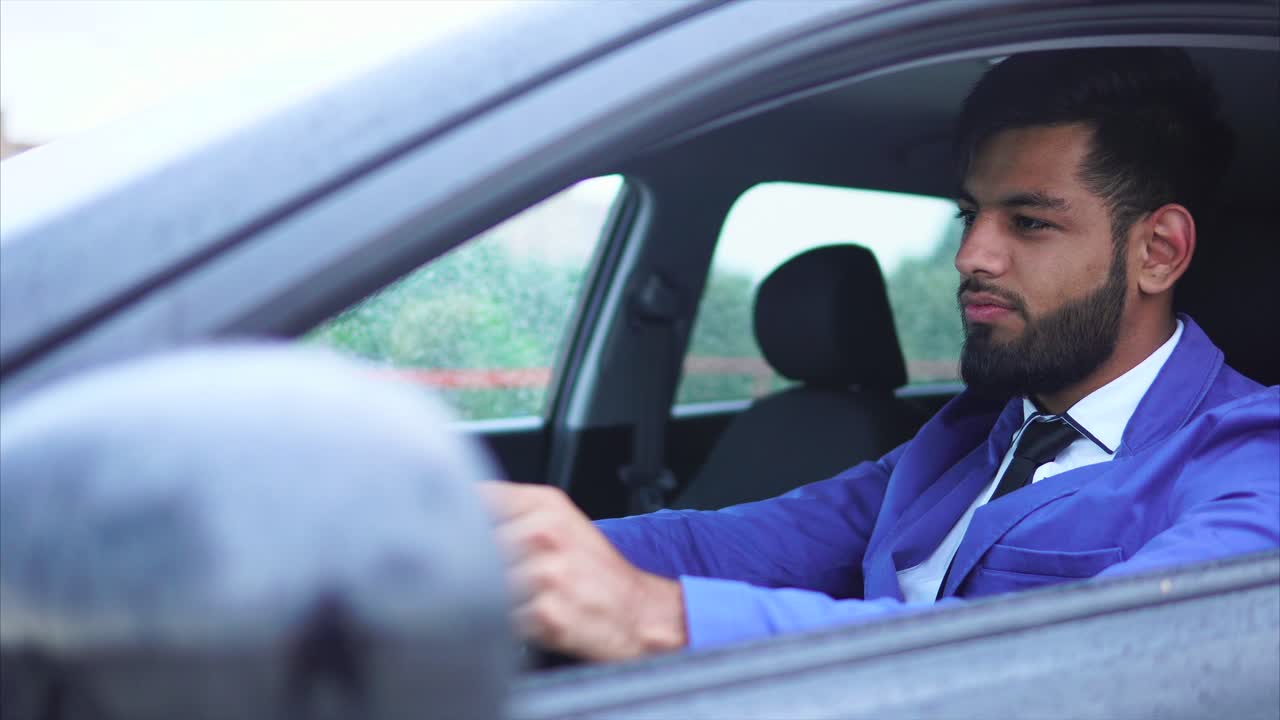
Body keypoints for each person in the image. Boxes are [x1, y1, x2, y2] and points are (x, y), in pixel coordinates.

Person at [481, 48, 1280, 662]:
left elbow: (1092, 661)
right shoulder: (969, 436)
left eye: (1029, 222)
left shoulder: (1250, 461)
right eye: (969, 215)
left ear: (1159, 252)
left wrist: (650, 616)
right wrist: (499, 549)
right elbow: (735, 543)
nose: (972, 255)